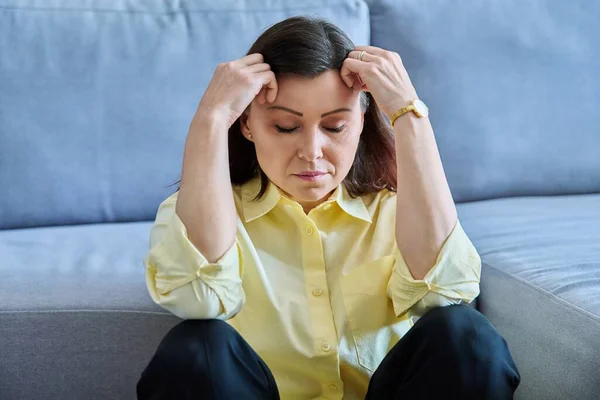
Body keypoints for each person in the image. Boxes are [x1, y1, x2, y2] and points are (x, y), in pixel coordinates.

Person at [136, 15, 520, 400]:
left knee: (465, 334)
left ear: (360, 122)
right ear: (247, 124)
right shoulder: (201, 209)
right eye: (286, 127)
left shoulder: (396, 208)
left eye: (335, 126)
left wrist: (408, 114)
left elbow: (446, 295)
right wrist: (212, 117)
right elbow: (199, 297)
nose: (312, 152)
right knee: (196, 346)